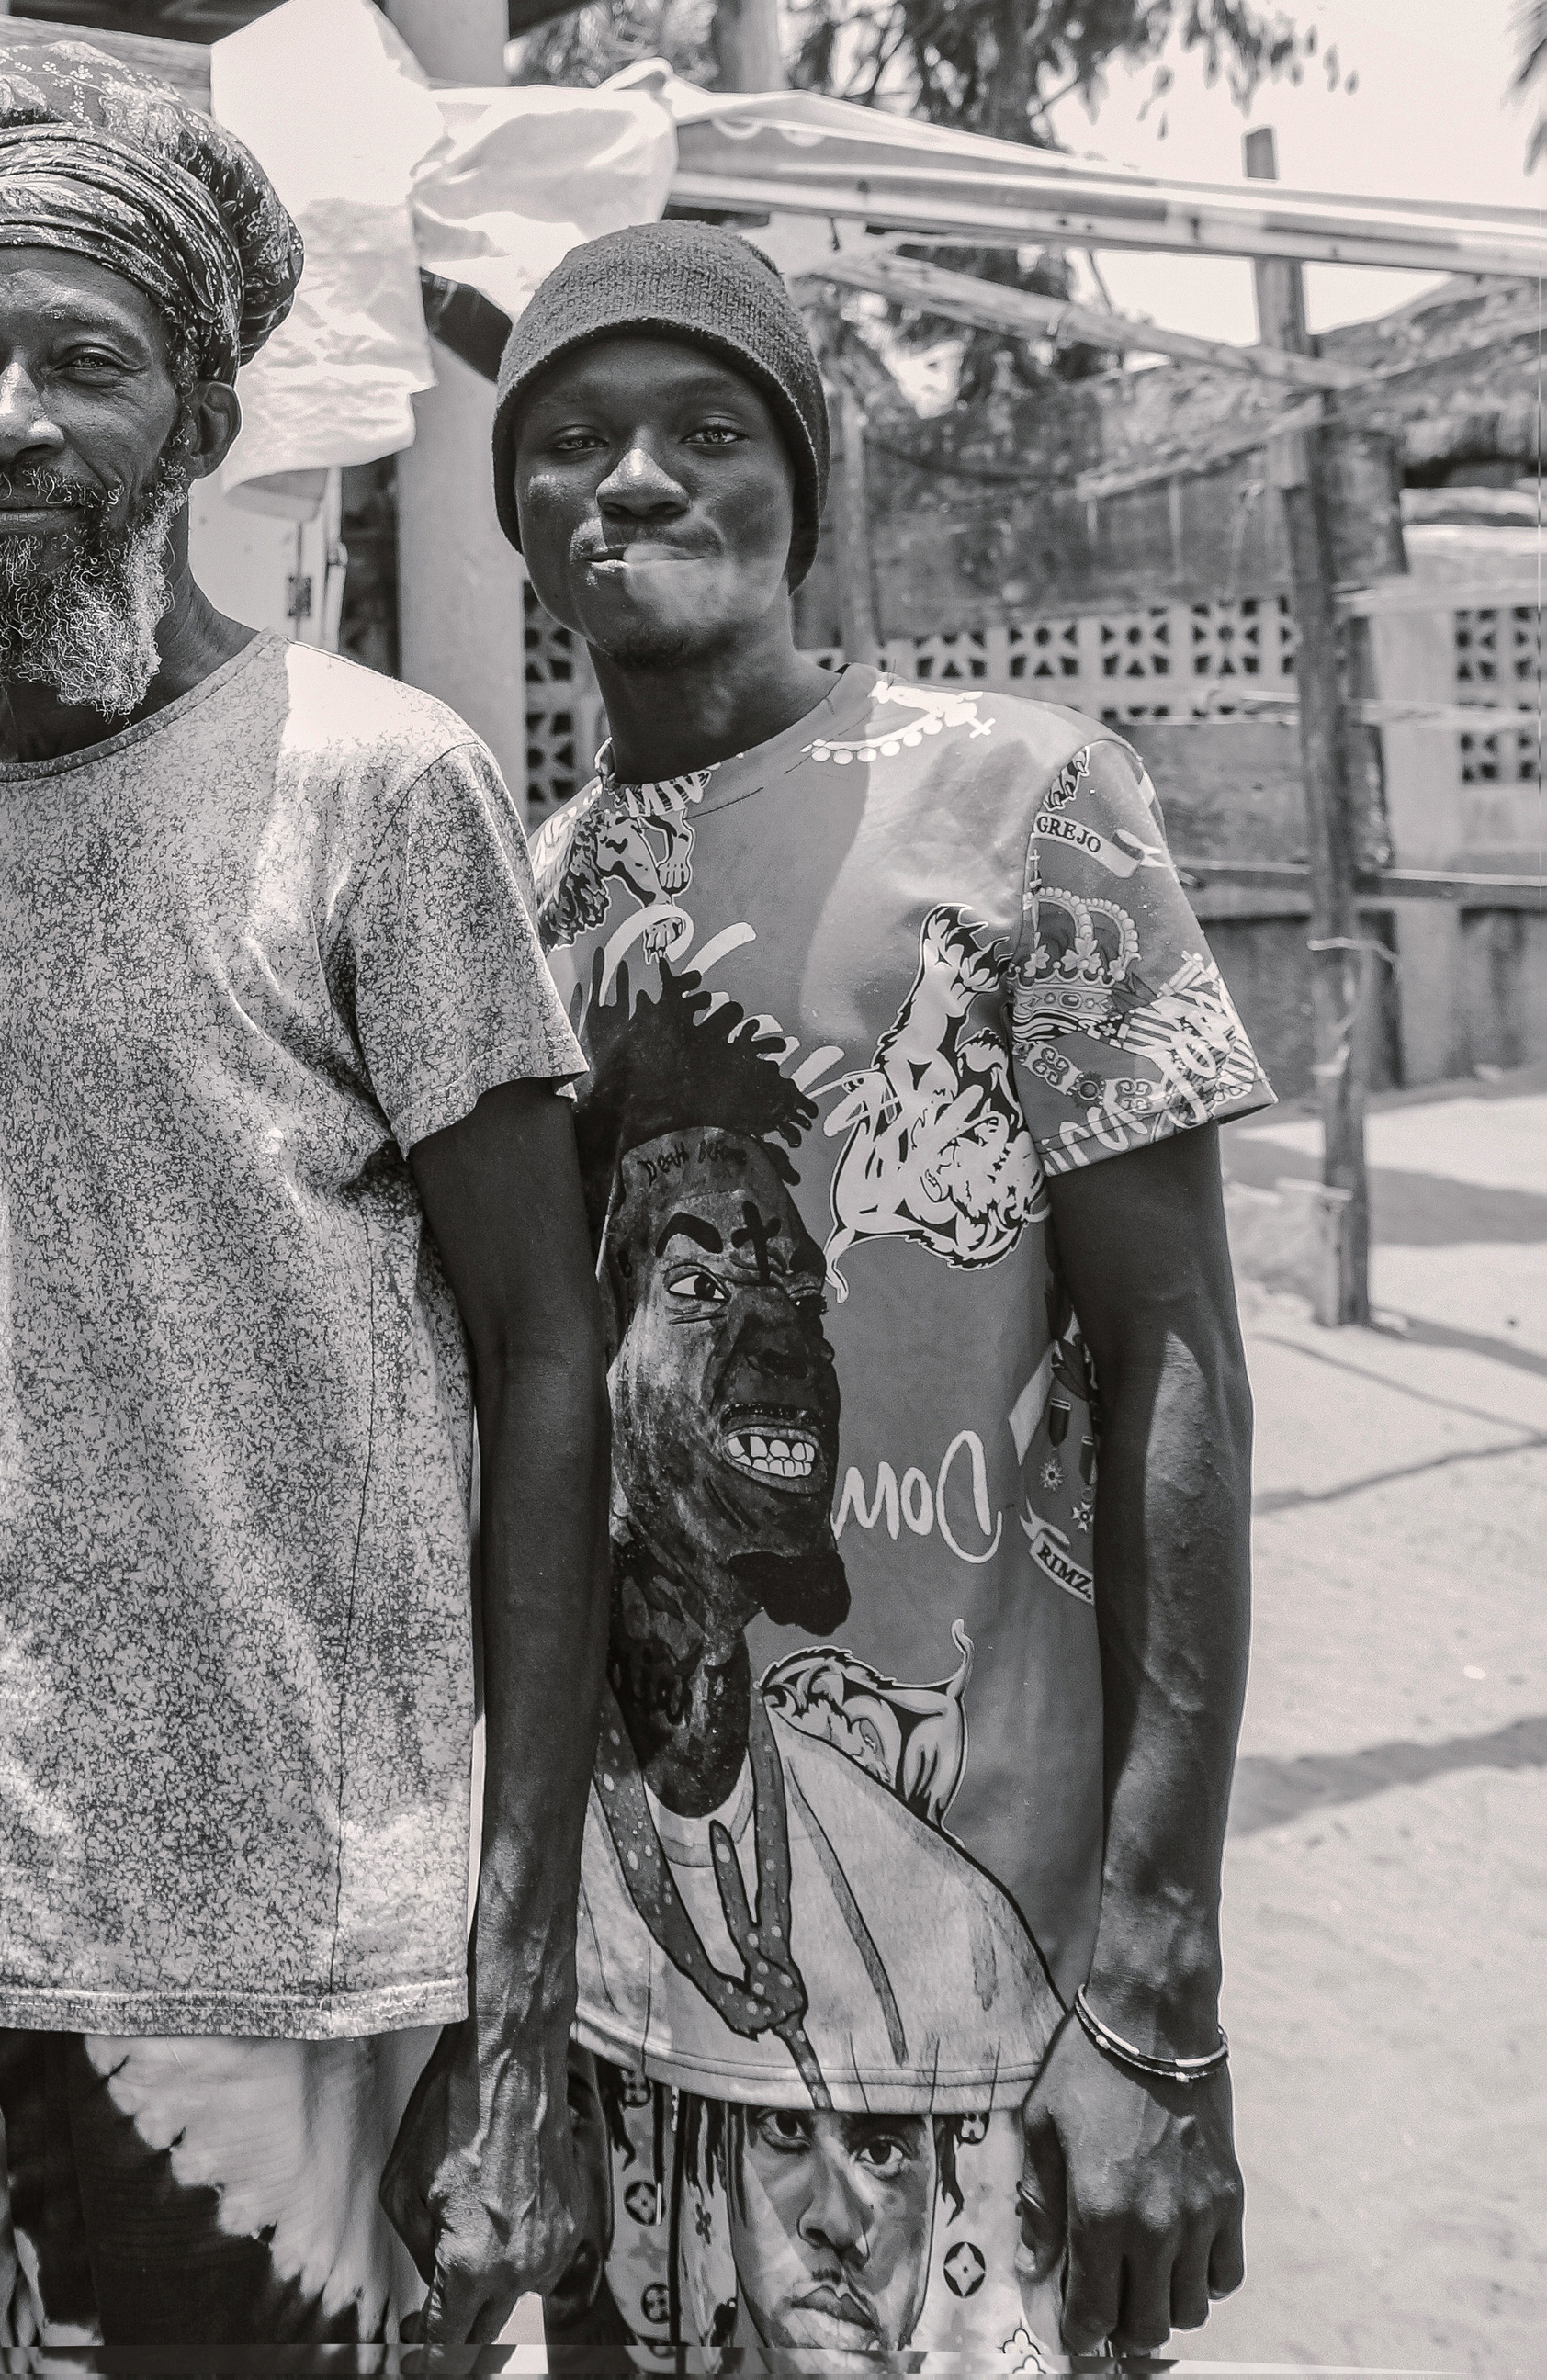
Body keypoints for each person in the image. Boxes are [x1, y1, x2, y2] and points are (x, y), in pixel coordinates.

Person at [0, 41, 610, 2356]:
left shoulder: (378, 788)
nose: (2, 423)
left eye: (81, 362)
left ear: (194, 426)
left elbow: (544, 1362)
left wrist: (513, 2014)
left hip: (266, 1946)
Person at [498, 223, 1264, 2369]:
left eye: (701, 429)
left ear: (805, 488)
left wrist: (1155, 1968)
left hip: (980, 2035)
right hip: (630, 2026)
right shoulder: (539, 892)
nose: (629, 479)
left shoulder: (1024, 806)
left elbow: (1176, 1366)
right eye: (564, 442)